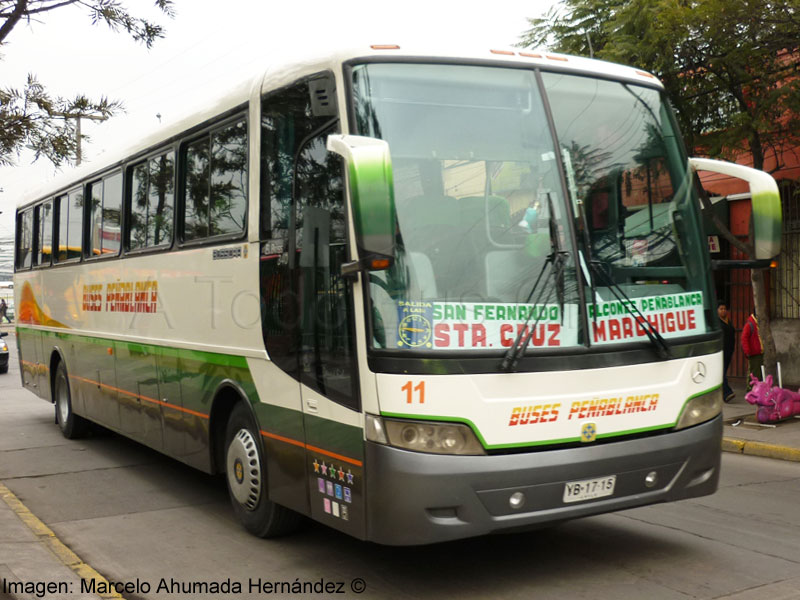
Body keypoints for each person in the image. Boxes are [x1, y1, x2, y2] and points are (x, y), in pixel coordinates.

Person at [717, 301, 735, 402]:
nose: (723, 311)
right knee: (721, 372)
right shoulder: (717, 323)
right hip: (720, 351)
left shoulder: (728, 321)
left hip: (728, 351)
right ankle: (727, 393)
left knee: (720, 374)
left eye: (724, 309)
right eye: (721, 309)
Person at [741, 312, 764, 390]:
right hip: (754, 353)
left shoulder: (758, 323)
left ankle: (757, 390)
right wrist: (747, 351)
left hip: (760, 352)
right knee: (753, 373)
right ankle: (750, 389)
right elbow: (744, 338)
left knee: (759, 373)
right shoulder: (750, 324)